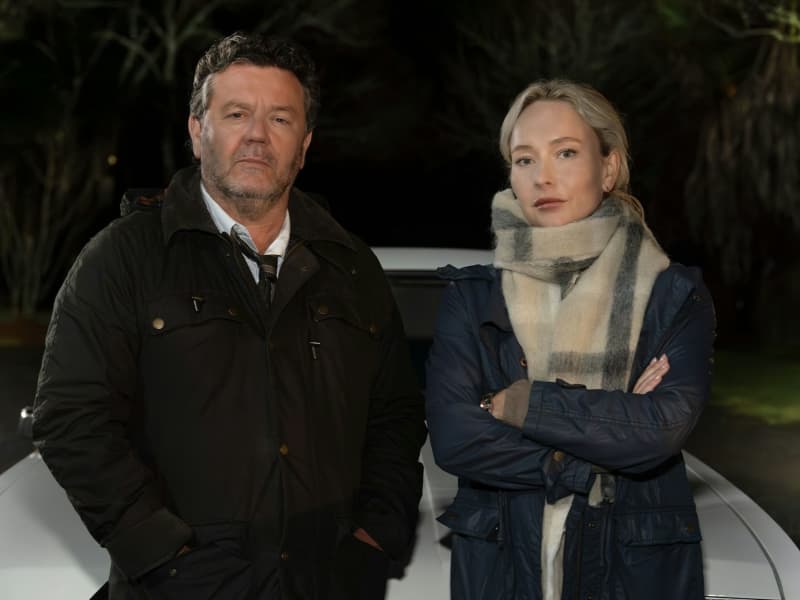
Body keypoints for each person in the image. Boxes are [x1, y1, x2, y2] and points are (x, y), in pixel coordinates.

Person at [33, 32, 426, 600]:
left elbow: (395, 417)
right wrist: (164, 556)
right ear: (198, 131)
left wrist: (371, 541)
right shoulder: (124, 257)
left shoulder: (352, 268)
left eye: (281, 119)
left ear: (305, 143)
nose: (258, 137)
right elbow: (71, 418)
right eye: (237, 113)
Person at [426, 79, 715, 600]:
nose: (544, 177)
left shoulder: (672, 295)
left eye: (565, 153)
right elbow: (456, 437)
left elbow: (663, 427)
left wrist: (520, 403)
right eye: (524, 159)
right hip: (503, 570)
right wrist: (609, 430)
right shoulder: (472, 297)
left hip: (632, 572)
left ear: (608, 166)